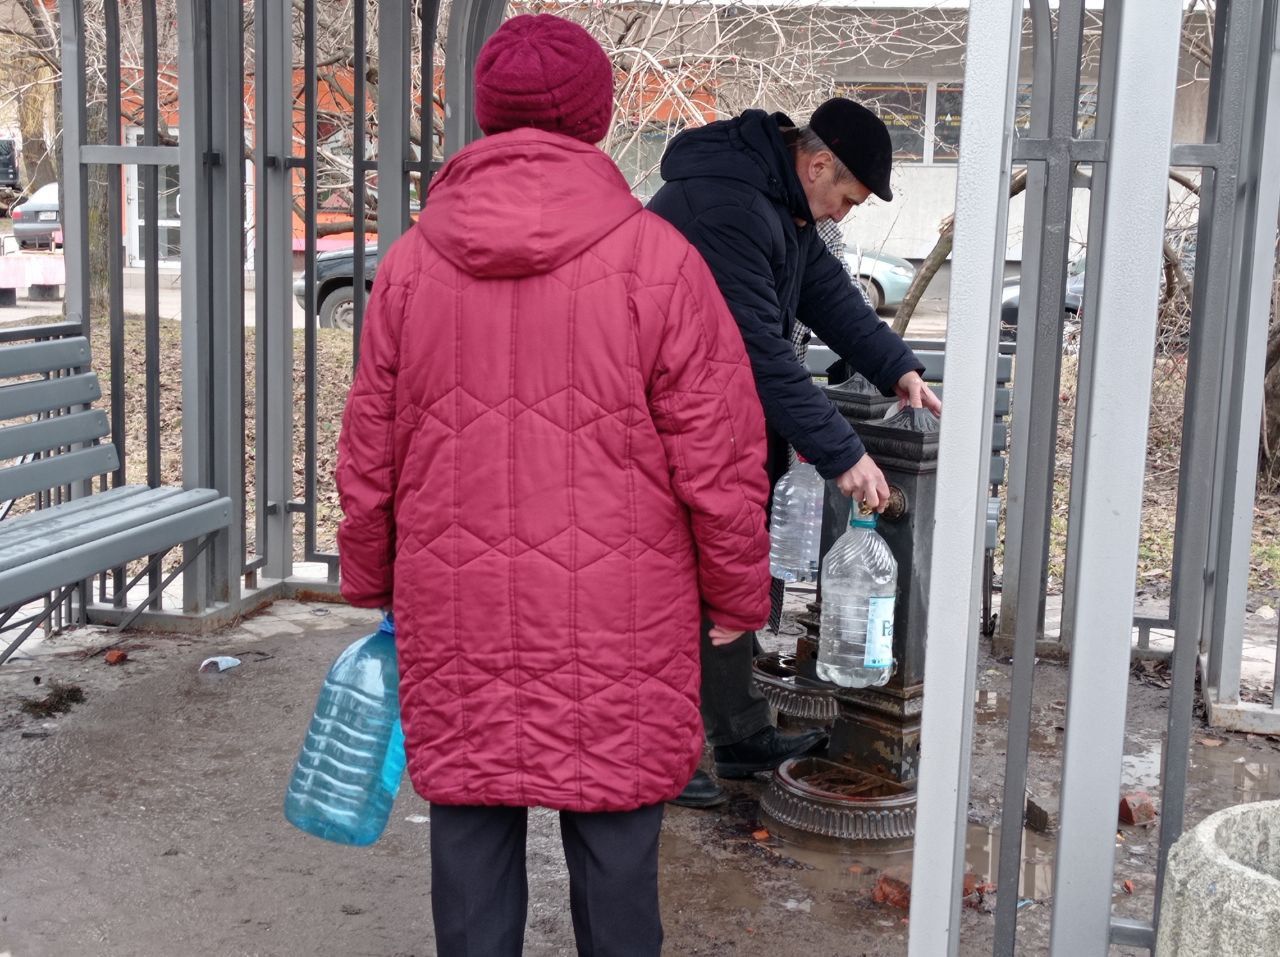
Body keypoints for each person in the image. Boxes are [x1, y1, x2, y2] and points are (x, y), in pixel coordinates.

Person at [335, 14, 772, 956]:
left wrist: (370, 573)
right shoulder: (660, 261)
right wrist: (737, 592)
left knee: (469, 823)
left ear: (485, 112)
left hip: (456, 598)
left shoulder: (410, 265)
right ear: (598, 117)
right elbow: (721, 450)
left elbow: (369, 444)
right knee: (616, 829)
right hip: (620, 609)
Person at [648, 98, 942, 809]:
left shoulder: (778, 203)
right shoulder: (726, 206)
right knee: (672, 587)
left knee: (721, 574)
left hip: (708, 421)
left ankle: (739, 734)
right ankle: (655, 754)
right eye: (848, 197)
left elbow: (827, 294)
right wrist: (841, 453)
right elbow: (758, 353)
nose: (845, 213)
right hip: (663, 425)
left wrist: (896, 367)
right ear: (816, 165)